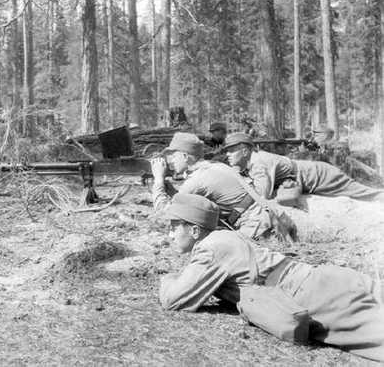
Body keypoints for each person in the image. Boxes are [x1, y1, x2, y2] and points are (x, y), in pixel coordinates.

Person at [158, 192, 384, 362]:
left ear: (194, 231)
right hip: (330, 278)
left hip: (318, 298)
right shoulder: (224, 236)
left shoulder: (210, 248)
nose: (169, 235)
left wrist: (167, 278)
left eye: (173, 227)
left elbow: (173, 299)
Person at [150, 132, 295, 240]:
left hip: (258, 227)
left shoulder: (197, 179)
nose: (170, 161)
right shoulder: (214, 166)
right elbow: (188, 200)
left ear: (185, 157)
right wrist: (167, 187)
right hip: (269, 218)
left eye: (173, 156)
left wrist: (158, 180)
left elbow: (164, 213)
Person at [224, 132, 384, 204]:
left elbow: (261, 195)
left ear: (245, 151)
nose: (228, 155)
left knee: (365, 194)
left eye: (231, 151)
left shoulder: (258, 162)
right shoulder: (253, 160)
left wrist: (237, 176)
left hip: (318, 176)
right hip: (310, 174)